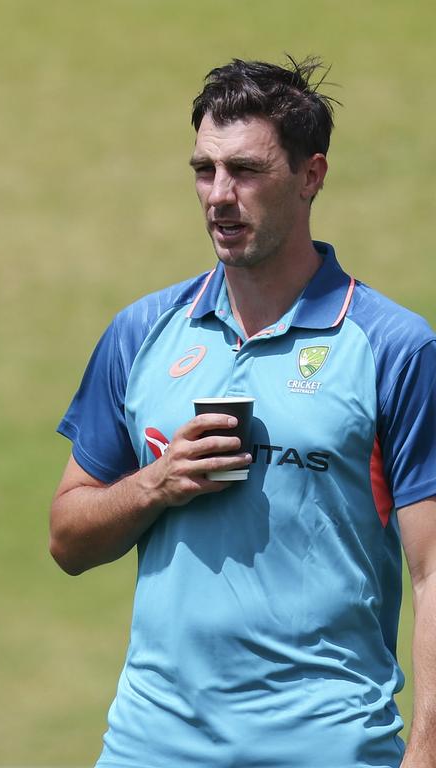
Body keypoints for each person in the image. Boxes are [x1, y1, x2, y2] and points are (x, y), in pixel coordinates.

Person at [50, 57, 436, 767]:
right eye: (205, 170)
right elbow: (68, 538)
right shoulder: (142, 333)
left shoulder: (394, 347)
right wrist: (156, 484)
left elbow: (433, 569)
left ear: (311, 176)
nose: (219, 197)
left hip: (329, 748)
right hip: (152, 747)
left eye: (247, 172)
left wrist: (427, 750)